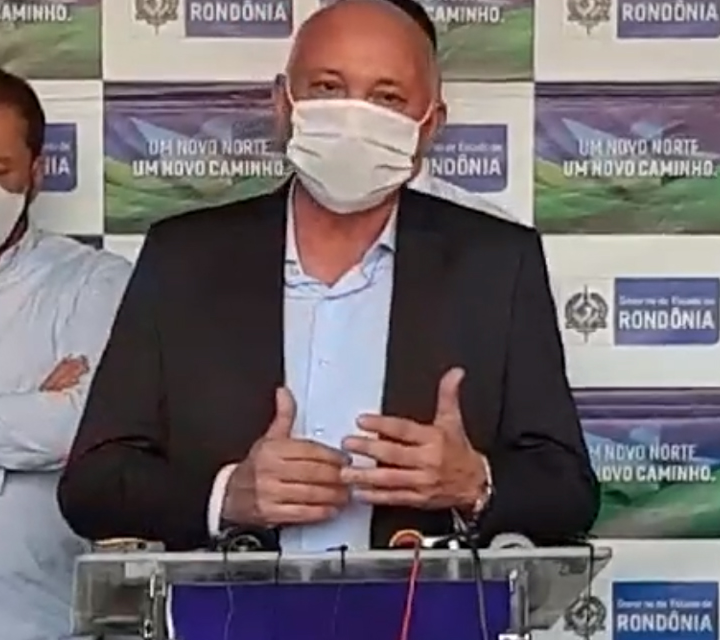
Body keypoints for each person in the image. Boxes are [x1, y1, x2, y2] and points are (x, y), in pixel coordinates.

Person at [58, 0, 597, 552]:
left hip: (420, 603)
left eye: (387, 98)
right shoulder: (184, 258)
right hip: (229, 604)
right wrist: (226, 496)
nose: (353, 117)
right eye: (327, 87)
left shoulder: (497, 264)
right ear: (282, 103)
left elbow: (569, 491)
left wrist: (473, 484)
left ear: (430, 125)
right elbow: (92, 486)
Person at [0, 62, 131, 639]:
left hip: (40, 622)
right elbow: (47, 428)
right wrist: (24, 411)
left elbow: (80, 426)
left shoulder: (95, 282)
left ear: (35, 173)